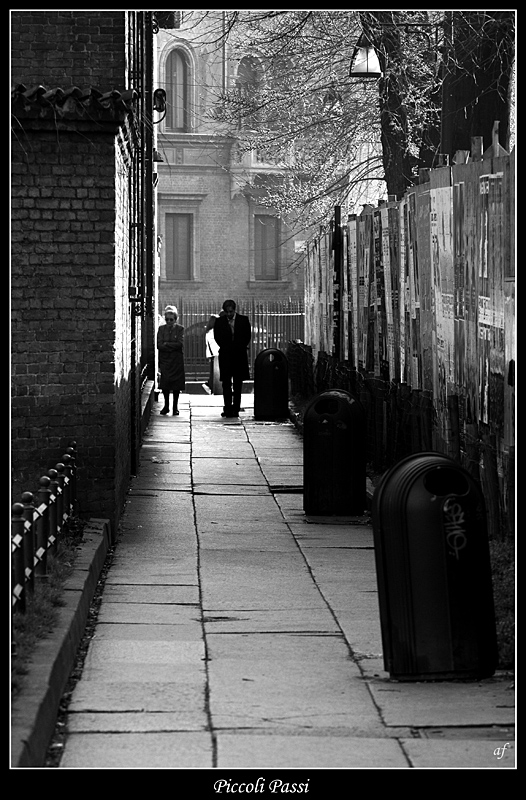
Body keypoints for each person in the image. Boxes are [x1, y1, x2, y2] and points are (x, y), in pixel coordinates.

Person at [213, 299, 251, 418]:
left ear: (234, 310)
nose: (229, 314)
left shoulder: (243, 320)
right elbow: (217, 337)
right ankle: (228, 407)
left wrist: (239, 346)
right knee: (226, 383)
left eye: (231, 311)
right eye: (227, 312)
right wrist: (226, 346)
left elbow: (247, 336)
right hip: (226, 355)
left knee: (238, 383)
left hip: (239, 355)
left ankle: (236, 408)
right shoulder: (220, 322)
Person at [157, 305, 185, 415]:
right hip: (165, 360)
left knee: (176, 385)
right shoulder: (161, 329)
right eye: (167, 319)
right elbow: (159, 345)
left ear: (175, 319)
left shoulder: (180, 329)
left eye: (171, 320)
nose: (169, 322)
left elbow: (180, 344)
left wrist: (166, 344)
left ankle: (175, 407)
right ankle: (166, 406)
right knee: (165, 384)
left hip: (176, 361)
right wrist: (170, 345)